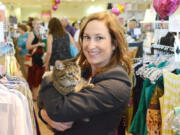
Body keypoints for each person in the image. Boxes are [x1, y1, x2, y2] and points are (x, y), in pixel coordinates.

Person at [38, 11, 132, 135]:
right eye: (87, 37)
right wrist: (44, 114)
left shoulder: (116, 85)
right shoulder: (82, 68)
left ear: (114, 43)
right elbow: (43, 100)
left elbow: (58, 110)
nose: (90, 45)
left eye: (99, 38)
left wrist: (50, 77)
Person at [26, 18, 45, 100]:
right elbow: (28, 46)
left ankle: (36, 95)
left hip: (39, 58)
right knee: (34, 77)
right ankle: (34, 96)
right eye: (37, 24)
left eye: (40, 24)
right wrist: (38, 44)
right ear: (33, 25)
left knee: (38, 77)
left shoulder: (39, 33)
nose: (39, 25)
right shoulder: (31, 33)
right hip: (34, 59)